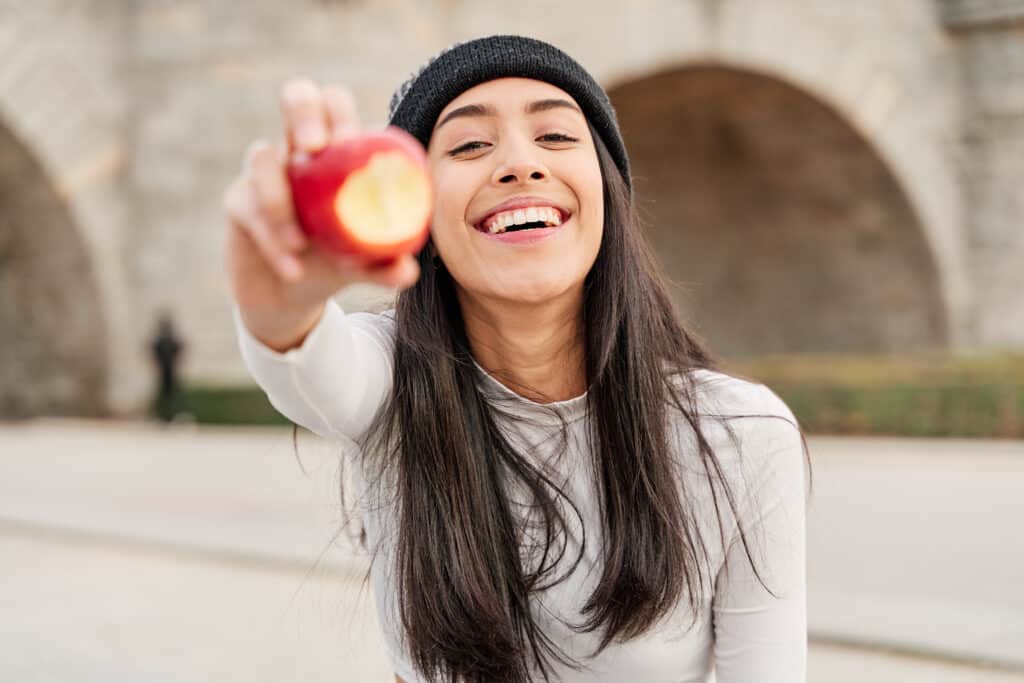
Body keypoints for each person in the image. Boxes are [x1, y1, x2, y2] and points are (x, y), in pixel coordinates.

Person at [224, 35, 809, 683]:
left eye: (556, 136)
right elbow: (305, 361)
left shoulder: (741, 433)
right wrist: (277, 298)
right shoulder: (392, 383)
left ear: (609, 196)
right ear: (421, 219)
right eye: (470, 145)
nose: (520, 164)